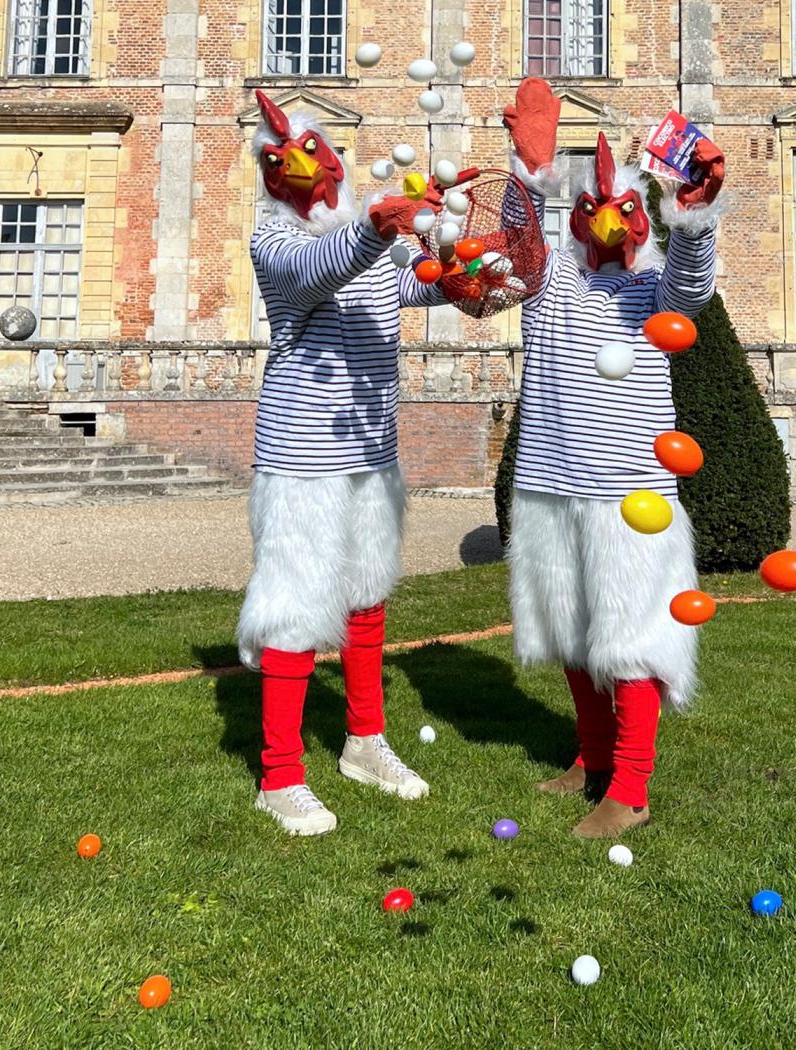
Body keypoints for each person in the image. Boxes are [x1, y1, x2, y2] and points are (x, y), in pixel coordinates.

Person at [502, 79, 727, 837]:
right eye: (592, 206)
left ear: (638, 222)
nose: (604, 217)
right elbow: (522, 248)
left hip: (630, 489)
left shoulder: (653, 288)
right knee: (569, 628)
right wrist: (528, 169)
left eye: (622, 209)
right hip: (547, 479)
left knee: (628, 636)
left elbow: (693, 287)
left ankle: (629, 789)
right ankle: (592, 758)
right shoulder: (552, 282)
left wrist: (691, 218)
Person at [238, 91, 445, 836]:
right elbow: (323, 267)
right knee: (295, 606)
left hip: (370, 452)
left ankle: (364, 742)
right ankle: (280, 774)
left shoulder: (367, 243)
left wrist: (458, 257)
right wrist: (378, 224)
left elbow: (417, 282)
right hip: (301, 457)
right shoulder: (277, 242)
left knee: (365, 599)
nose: (304, 171)